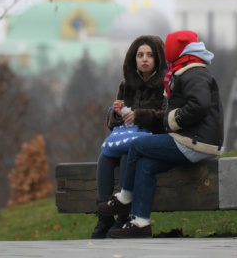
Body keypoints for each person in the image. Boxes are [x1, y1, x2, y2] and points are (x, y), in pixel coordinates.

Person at [98, 30, 224, 238]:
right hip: (190, 139)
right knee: (146, 165)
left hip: (195, 141)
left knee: (137, 146)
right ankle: (140, 223)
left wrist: (172, 119)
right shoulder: (184, 71)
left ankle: (125, 196)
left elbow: (199, 106)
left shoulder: (194, 73)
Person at [91, 34, 167, 239]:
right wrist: (116, 113)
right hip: (128, 138)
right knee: (105, 158)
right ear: (133, 58)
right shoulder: (126, 85)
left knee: (127, 157)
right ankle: (105, 216)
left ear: (158, 59)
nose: (144, 59)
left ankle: (123, 217)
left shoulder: (165, 84)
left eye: (150, 55)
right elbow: (114, 124)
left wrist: (139, 116)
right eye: (140, 55)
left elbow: (166, 117)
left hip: (151, 141)